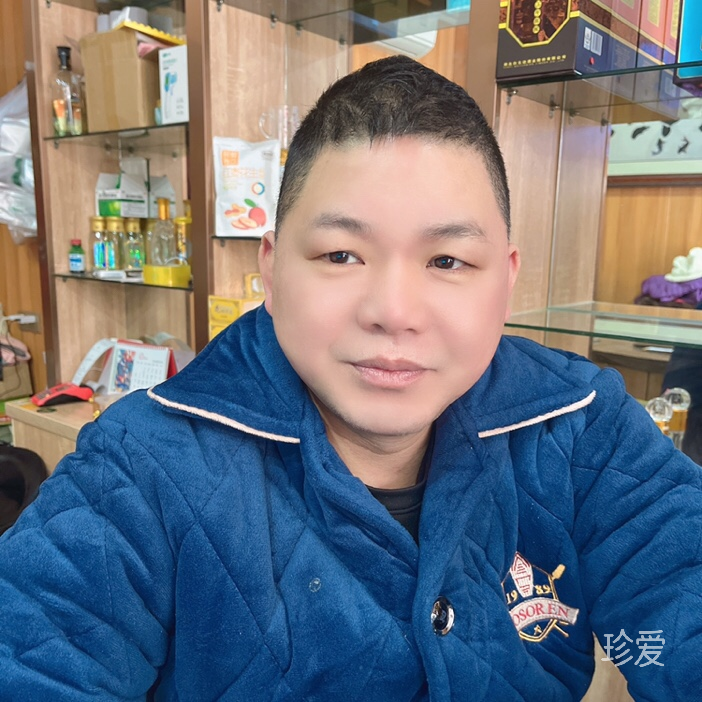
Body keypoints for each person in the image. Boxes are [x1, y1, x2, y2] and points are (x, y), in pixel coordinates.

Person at [1, 55, 701, 701]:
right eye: (340, 255)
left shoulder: (581, 425)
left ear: (506, 280)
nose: (393, 312)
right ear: (271, 268)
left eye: (448, 261)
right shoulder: (140, 468)